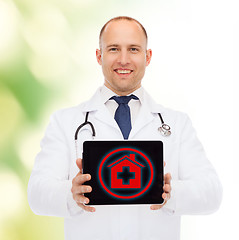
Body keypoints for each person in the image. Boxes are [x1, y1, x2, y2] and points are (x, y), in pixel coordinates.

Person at [28, 16, 222, 240]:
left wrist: (172, 192)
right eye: (113, 49)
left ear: (147, 57)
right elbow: (36, 194)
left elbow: (212, 193)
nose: (123, 59)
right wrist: (70, 194)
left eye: (133, 49)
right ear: (99, 56)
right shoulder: (65, 122)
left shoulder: (178, 124)